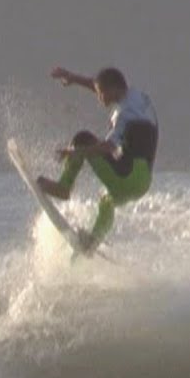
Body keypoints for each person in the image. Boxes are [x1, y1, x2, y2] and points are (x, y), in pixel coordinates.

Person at [39, 66, 159, 253]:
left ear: (113, 90)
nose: (98, 97)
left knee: (82, 139)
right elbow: (100, 85)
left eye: (101, 93)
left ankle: (63, 187)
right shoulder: (138, 97)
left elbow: (108, 147)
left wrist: (73, 153)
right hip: (142, 183)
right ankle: (92, 241)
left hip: (126, 179)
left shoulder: (123, 115)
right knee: (107, 200)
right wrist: (74, 77)